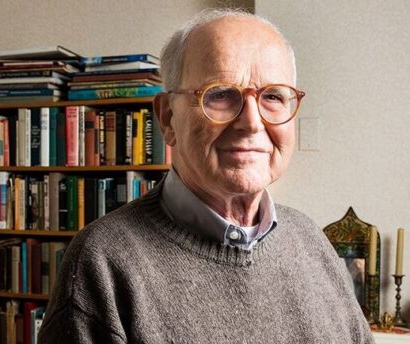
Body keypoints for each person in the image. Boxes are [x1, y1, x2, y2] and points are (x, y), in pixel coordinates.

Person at [38, 8, 374, 343]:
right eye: (220, 94)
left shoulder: (311, 241)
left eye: (273, 96)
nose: (252, 123)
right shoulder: (101, 264)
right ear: (168, 118)